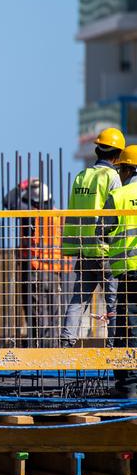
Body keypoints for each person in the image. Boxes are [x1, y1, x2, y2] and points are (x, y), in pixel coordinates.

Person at [60, 127, 125, 348]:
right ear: (117, 154)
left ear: (97, 149)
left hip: (85, 249)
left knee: (79, 299)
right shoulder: (112, 177)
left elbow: (74, 212)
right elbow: (115, 214)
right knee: (113, 301)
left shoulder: (82, 176)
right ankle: (115, 344)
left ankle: (67, 341)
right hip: (106, 249)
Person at [6, 179, 68, 346]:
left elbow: (9, 202)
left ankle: (40, 348)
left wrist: (22, 185)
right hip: (56, 272)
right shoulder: (59, 215)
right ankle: (54, 348)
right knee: (55, 313)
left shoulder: (30, 214)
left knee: (37, 313)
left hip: (35, 271)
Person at [98, 145, 137, 397]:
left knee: (129, 326)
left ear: (126, 169)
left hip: (130, 272)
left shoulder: (120, 195)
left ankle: (130, 384)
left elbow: (101, 230)